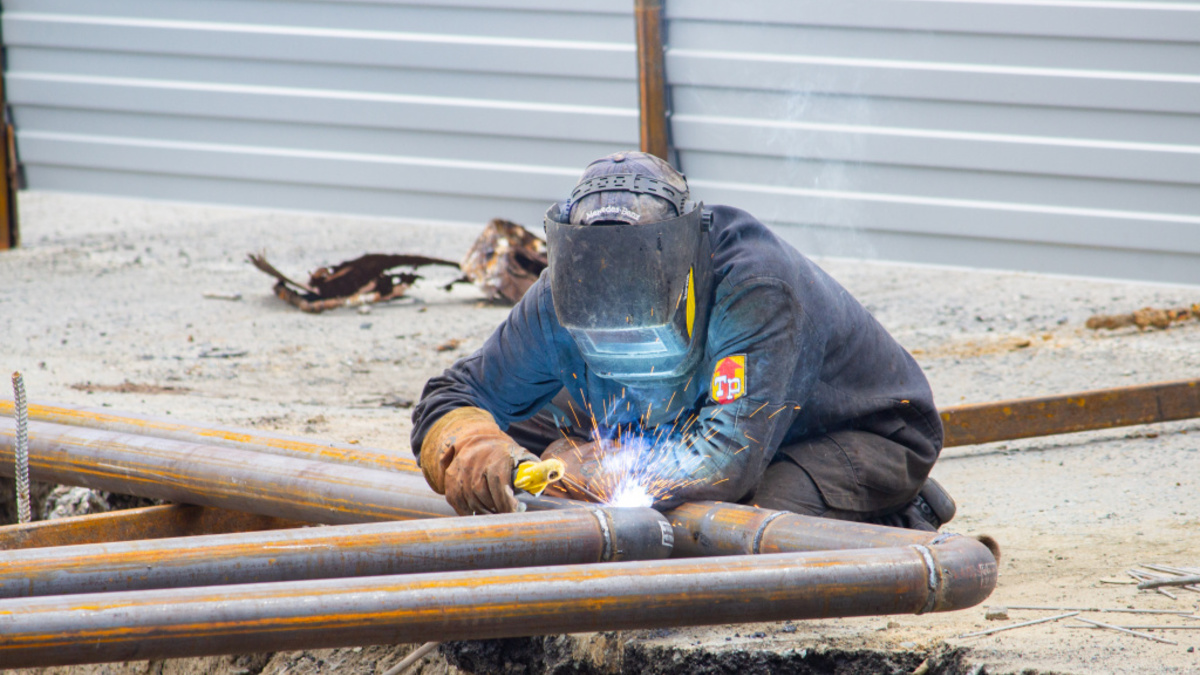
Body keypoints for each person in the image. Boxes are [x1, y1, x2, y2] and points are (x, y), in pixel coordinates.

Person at [411, 151, 955, 531]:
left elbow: (726, 460)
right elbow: (454, 394)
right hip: (682, 421)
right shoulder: (559, 293)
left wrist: (592, 471)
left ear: (684, 268)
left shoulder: (754, 288)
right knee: (527, 440)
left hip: (851, 435)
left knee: (748, 522)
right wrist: (477, 448)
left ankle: (903, 514)